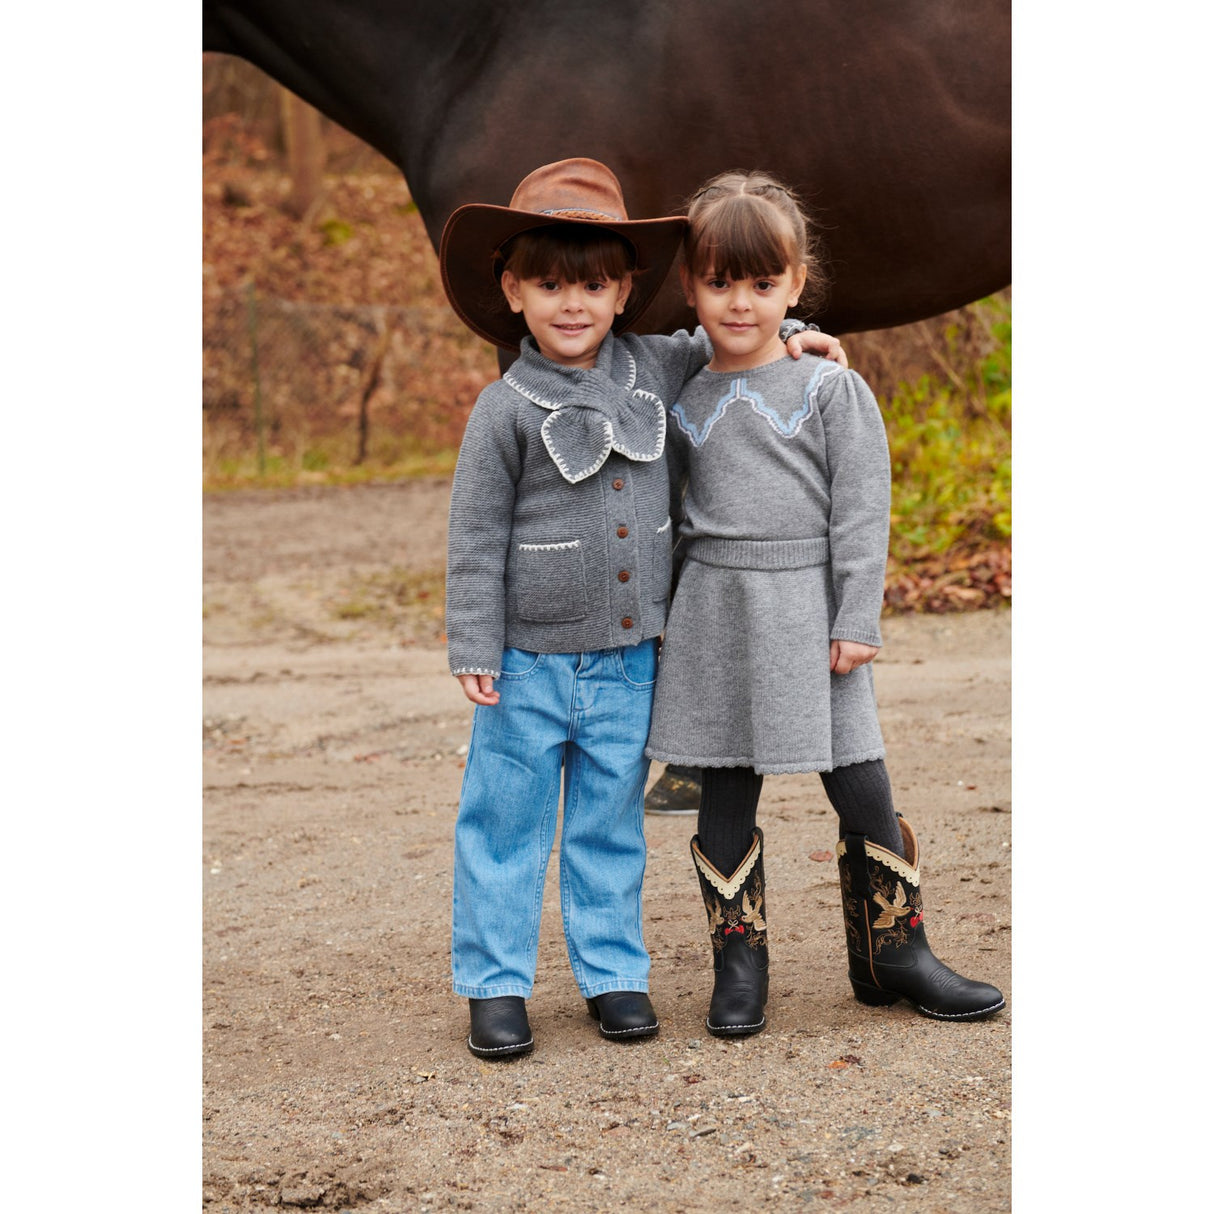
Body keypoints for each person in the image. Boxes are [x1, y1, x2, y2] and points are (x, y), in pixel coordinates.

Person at [437, 159, 845, 1059]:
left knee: (609, 824)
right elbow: (473, 535)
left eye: (592, 286)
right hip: (527, 661)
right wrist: (475, 641)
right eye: (549, 286)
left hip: (629, 661)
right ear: (512, 290)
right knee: (504, 822)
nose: (571, 304)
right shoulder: (503, 409)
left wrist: (798, 333)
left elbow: (735, 333)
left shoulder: (659, 365)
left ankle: (613, 974)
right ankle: (496, 986)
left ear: (624, 292)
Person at [645, 170, 1005, 1036]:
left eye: (763, 283)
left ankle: (895, 950)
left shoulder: (829, 388)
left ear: (796, 284)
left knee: (857, 770)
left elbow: (862, 509)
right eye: (720, 282)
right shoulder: (679, 394)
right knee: (725, 778)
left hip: (809, 606)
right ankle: (740, 966)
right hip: (715, 609)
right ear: (690, 286)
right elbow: (664, 514)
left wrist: (856, 617)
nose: (741, 302)